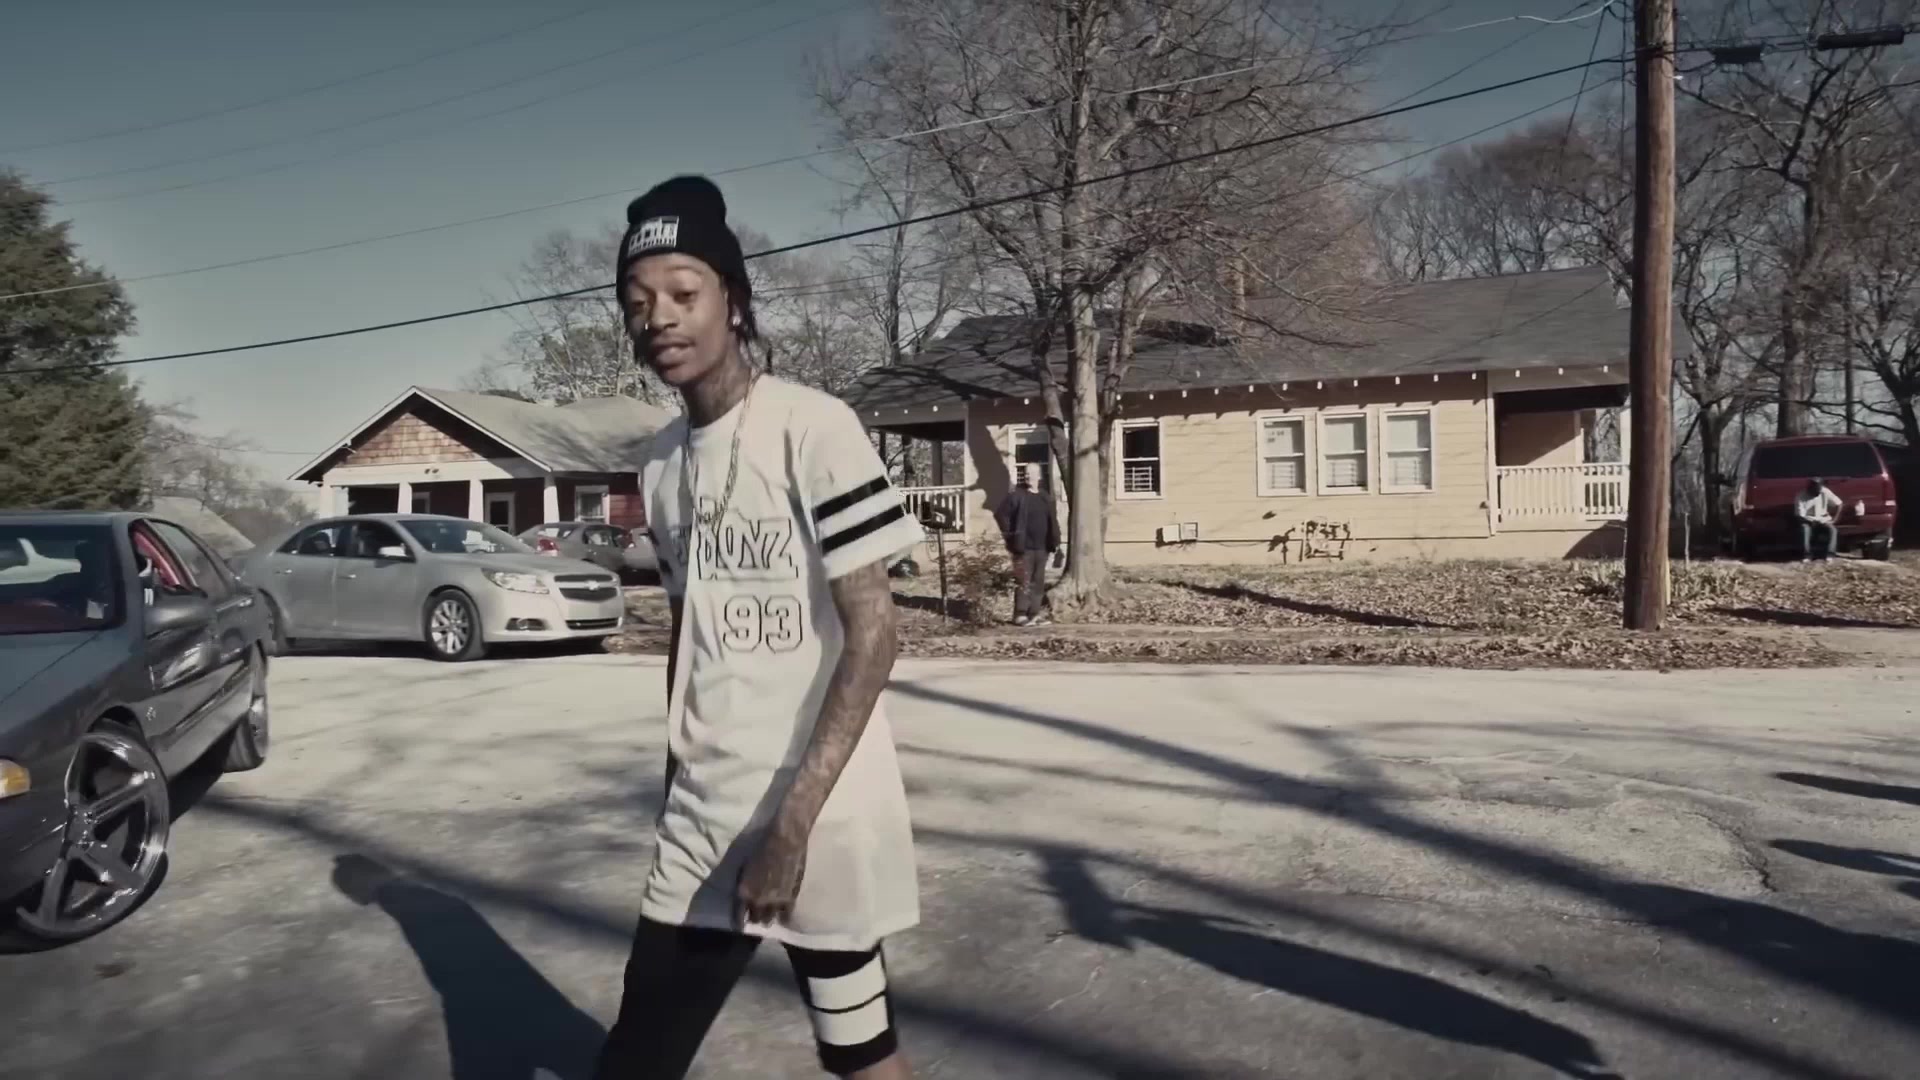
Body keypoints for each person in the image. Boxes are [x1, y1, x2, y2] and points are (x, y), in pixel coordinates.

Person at [593, 176, 923, 1080]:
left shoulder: (813, 427)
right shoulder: (661, 465)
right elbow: (689, 637)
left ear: (733, 302)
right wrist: (677, 781)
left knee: (860, 1050)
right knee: (639, 1055)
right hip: (705, 812)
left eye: (683, 292)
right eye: (637, 303)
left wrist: (794, 825)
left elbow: (873, 633)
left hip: (820, 811)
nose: (659, 317)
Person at [992, 473, 1060, 626]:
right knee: (1023, 580)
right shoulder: (1016, 496)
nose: (1029, 477)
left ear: (1039, 476)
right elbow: (1000, 515)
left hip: (1042, 547)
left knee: (1038, 582)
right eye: (1027, 474)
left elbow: (1053, 521)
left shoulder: (1045, 497)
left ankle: (1034, 614)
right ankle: (1020, 614)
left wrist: (1055, 541)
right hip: (1022, 548)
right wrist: (1011, 535)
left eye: (1032, 474)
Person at [1794, 476, 1844, 562]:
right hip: (1808, 520)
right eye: (1815, 489)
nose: (1818, 491)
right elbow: (1800, 515)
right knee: (1805, 529)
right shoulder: (1801, 496)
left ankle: (1830, 554)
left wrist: (1835, 519)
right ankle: (1807, 555)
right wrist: (1811, 522)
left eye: (1819, 489)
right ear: (1810, 488)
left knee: (1833, 530)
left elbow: (1839, 504)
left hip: (1823, 519)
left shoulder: (1824, 491)